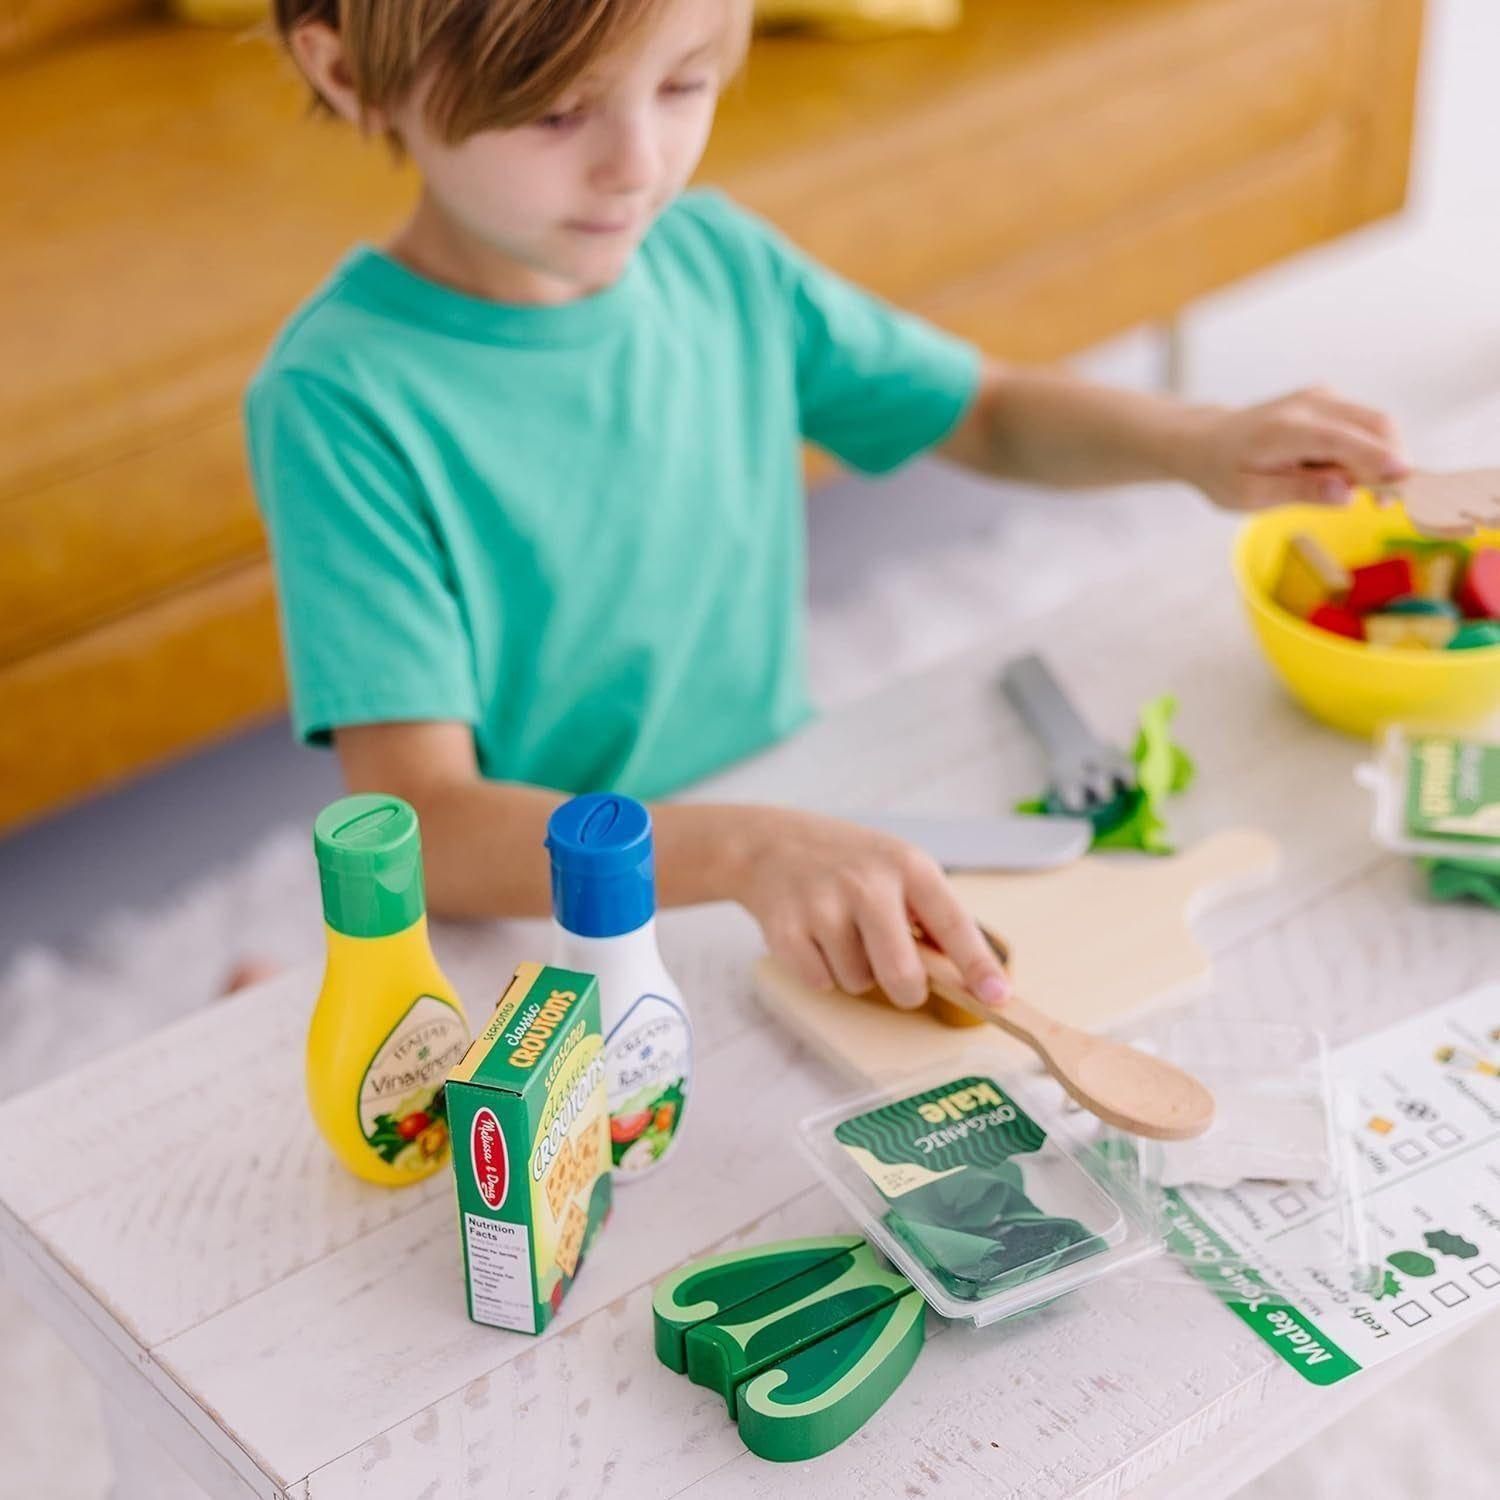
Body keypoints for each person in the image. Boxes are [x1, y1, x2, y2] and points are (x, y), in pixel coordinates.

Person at [249, 0, 1408, 1014]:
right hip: (554, 929)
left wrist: (1198, 443)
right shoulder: (338, 398)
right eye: (557, 112)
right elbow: (429, 827)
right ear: (349, 73)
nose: (637, 165)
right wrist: (749, 850)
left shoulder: (715, 259)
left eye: (683, 85)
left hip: (780, 826)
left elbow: (984, 409)